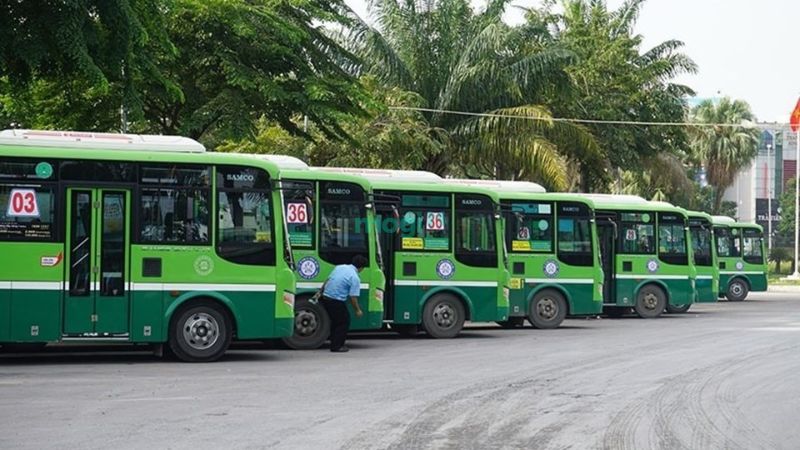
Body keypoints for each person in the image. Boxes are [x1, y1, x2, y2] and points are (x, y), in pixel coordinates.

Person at [315, 255, 367, 352]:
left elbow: (328, 280)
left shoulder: (340, 267)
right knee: (344, 322)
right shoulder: (355, 277)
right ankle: (337, 346)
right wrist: (358, 310)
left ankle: (333, 342)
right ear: (361, 268)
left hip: (326, 298)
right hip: (336, 301)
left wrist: (320, 292)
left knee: (335, 322)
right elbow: (353, 297)